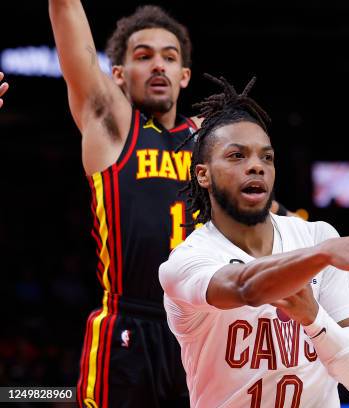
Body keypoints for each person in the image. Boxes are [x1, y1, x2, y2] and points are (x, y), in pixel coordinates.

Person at [49, 3, 288, 407]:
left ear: (185, 76)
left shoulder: (212, 142)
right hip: (131, 326)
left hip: (208, 325)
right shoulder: (112, 124)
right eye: (143, 56)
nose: (158, 66)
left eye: (169, 57)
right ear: (119, 75)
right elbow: (69, 21)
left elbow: (263, 215)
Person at [159, 74, 349, 407]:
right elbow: (244, 288)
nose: (256, 166)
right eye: (237, 156)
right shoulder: (186, 262)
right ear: (203, 174)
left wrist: (314, 319)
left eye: (266, 157)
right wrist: (321, 255)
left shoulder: (316, 237)